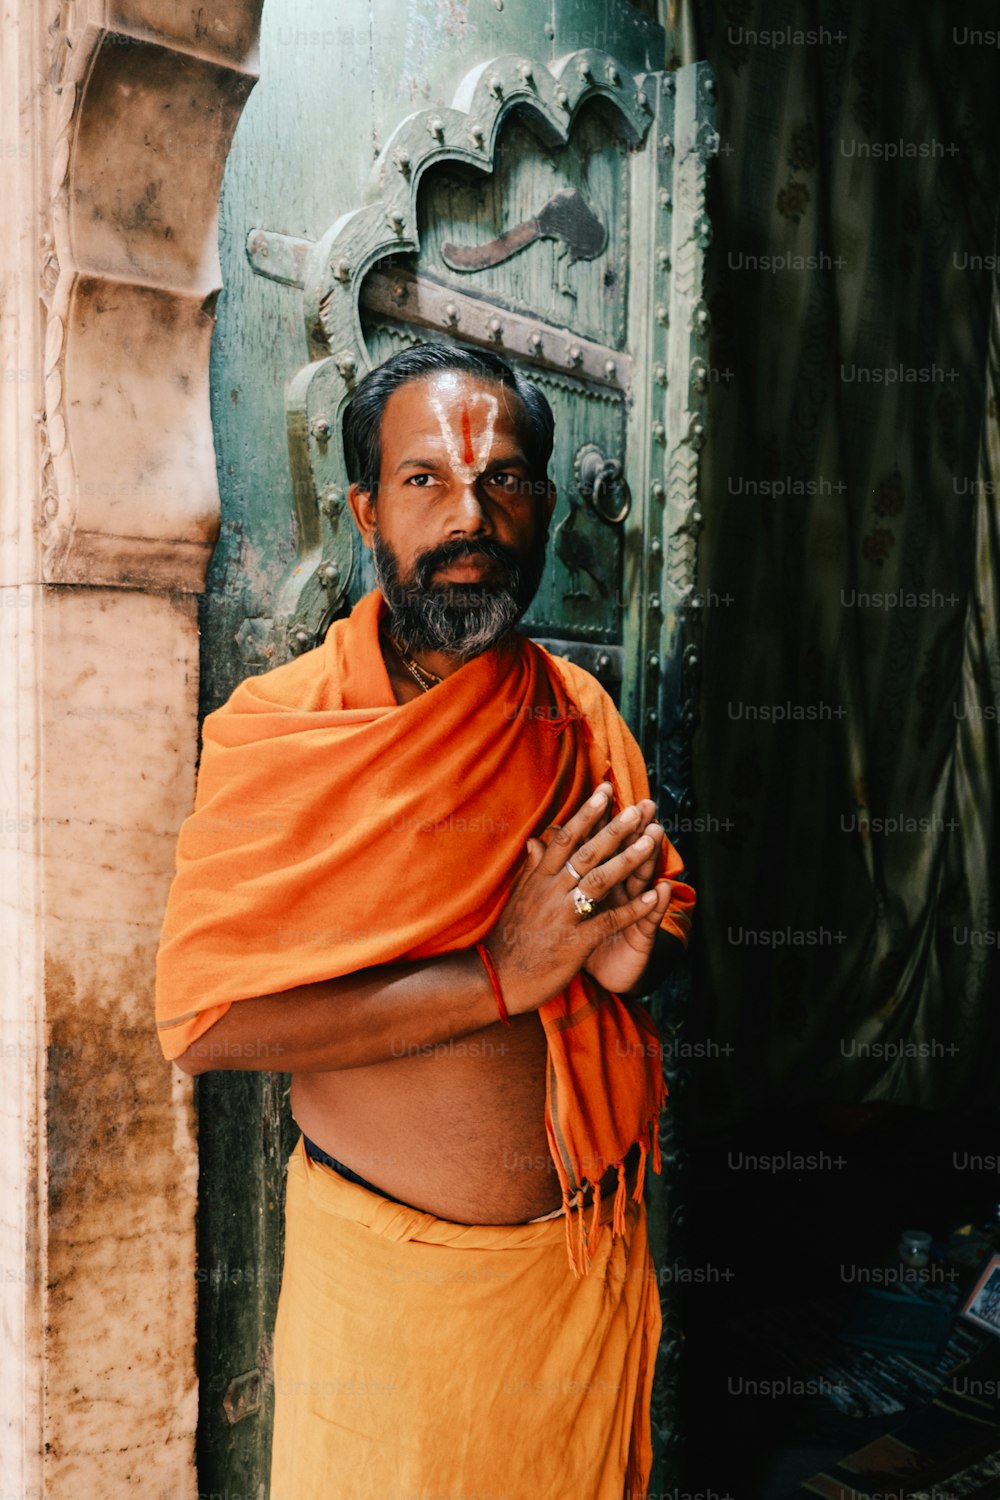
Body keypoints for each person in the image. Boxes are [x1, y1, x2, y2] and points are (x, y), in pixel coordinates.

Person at [155, 341, 695, 1499]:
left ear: (543, 508)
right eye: (424, 481)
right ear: (365, 510)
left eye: (502, 480)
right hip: (392, 1317)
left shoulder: (574, 711)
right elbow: (208, 1026)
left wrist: (626, 964)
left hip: (581, 1273)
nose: (470, 516)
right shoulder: (285, 731)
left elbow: (650, 920)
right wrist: (500, 975)